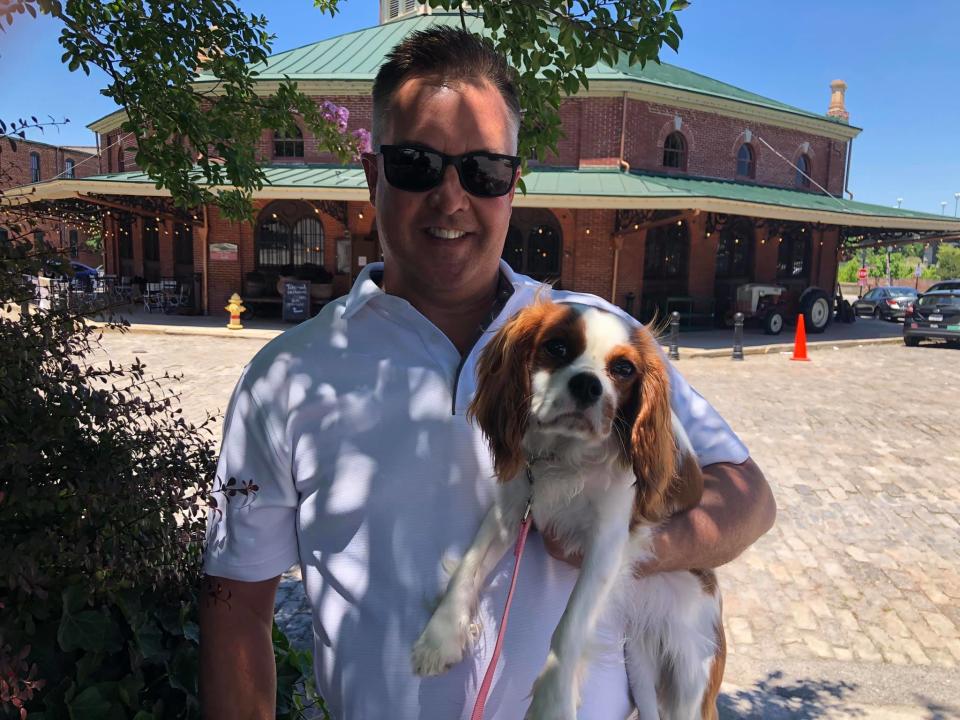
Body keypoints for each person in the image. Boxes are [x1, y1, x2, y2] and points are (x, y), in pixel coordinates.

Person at [200, 26, 776, 720]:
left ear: (513, 183)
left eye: (483, 171)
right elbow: (236, 606)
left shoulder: (594, 335)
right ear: (374, 174)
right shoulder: (288, 377)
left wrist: (627, 546)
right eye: (418, 164)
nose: (452, 198)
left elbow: (748, 498)